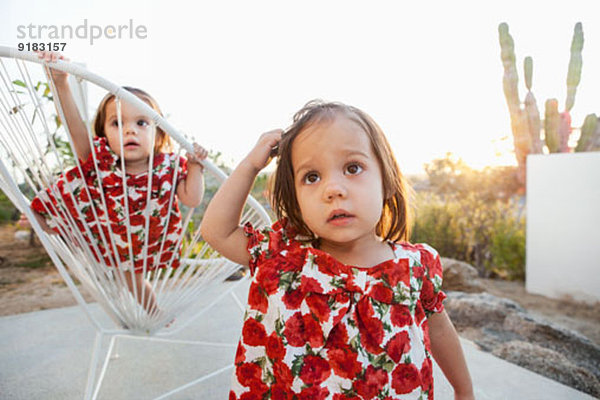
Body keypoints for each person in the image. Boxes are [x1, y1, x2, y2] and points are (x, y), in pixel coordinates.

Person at [201, 100, 474, 399]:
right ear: (296, 198)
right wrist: (250, 166)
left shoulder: (415, 266)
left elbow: (440, 332)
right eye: (312, 177)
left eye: (352, 168)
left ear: (387, 180)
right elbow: (218, 232)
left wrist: (463, 389)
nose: (333, 189)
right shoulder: (283, 256)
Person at [29, 51, 208, 317]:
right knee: (37, 215)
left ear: (159, 132)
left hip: (145, 243)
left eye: (142, 122)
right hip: (105, 237)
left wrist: (195, 167)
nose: (129, 130)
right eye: (117, 123)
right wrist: (60, 83)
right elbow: (74, 127)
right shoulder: (102, 160)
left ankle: (153, 312)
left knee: (132, 281)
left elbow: (192, 199)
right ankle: (55, 228)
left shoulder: (168, 166)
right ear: (104, 134)